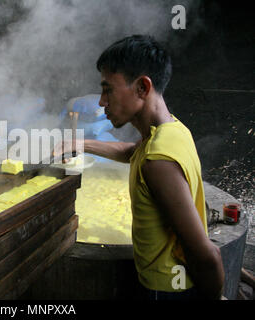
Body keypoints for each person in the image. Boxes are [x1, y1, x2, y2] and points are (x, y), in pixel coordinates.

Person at [55, 35, 225, 300]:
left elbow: (206, 256)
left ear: (142, 88)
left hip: (165, 290)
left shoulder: (158, 162)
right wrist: (80, 143)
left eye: (108, 89)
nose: (102, 101)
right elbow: (131, 152)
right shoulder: (172, 131)